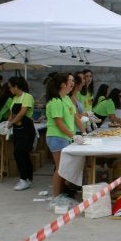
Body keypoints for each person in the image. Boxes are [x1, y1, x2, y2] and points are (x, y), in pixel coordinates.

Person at [45, 73, 85, 206]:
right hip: (57, 137)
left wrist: (84, 132)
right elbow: (59, 123)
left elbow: (75, 118)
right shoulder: (55, 101)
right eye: (69, 81)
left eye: (73, 81)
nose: (71, 84)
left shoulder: (66, 99)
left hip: (65, 137)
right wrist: (73, 135)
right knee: (60, 168)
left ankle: (61, 193)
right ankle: (56, 196)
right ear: (61, 84)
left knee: (64, 168)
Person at [7, 76, 36, 191]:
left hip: (26, 130)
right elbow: (12, 114)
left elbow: (21, 113)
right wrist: (7, 123)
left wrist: (11, 123)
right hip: (17, 130)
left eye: (10, 87)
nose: (9, 89)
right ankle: (28, 178)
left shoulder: (27, 97)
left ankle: (24, 179)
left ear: (16, 87)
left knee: (18, 153)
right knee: (23, 154)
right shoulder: (15, 99)